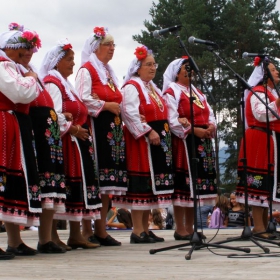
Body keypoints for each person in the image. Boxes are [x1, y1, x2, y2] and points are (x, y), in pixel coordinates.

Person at [39, 38, 101, 249]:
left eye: (74, 59)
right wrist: (72, 128)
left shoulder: (67, 85)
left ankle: (75, 235)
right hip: (64, 143)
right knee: (61, 189)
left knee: (78, 189)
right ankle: (53, 236)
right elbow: (53, 114)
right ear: (57, 62)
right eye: (69, 59)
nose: (73, 63)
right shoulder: (52, 83)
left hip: (77, 144)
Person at [112, 45, 174, 243]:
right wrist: (148, 130)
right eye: (148, 64)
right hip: (140, 141)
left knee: (150, 188)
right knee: (140, 185)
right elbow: (129, 113)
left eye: (154, 64)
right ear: (137, 67)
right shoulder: (132, 86)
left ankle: (146, 229)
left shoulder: (152, 88)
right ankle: (137, 230)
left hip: (155, 141)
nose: (153, 68)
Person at [15, 25, 67, 254]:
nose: (29, 53)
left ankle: (45, 239)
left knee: (50, 188)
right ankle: (17, 240)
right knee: (30, 185)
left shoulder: (31, 71)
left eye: (31, 49)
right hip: (34, 134)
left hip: (49, 138)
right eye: (24, 49)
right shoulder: (16, 72)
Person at [75, 26, 127, 246]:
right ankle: (88, 229)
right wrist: (106, 104)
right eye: (108, 44)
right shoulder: (86, 70)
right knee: (95, 180)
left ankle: (102, 229)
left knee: (108, 182)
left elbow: (117, 99)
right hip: (96, 129)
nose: (112, 49)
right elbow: (82, 99)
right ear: (95, 47)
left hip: (112, 130)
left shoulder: (109, 74)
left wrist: (110, 104)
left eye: (114, 45)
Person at [162, 57, 217, 240]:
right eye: (186, 68)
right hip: (185, 142)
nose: (190, 71)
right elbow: (171, 119)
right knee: (184, 187)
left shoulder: (199, 93)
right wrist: (194, 129)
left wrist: (210, 127)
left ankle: (190, 226)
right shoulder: (172, 92)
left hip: (202, 142)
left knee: (196, 188)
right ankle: (180, 228)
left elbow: (209, 113)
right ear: (176, 72)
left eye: (191, 68)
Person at [0, 24, 40, 259]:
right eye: (24, 48)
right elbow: (21, 93)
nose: (28, 53)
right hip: (3, 125)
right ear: (11, 49)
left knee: (12, 181)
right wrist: (32, 78)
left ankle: (15, 240)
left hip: (12, 126)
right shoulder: (3, 66)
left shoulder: (12, 66)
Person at [236, 56, 280, 238]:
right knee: (258, 181)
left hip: (270, 140)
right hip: (259, 138)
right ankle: (259, 227)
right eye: (274, 69)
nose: (277, 71)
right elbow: (261, 114)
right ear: (264, 74)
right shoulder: (257, 92)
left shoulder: (271, 93)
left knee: (267, 182)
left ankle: (263, 225)